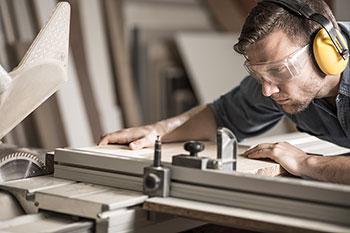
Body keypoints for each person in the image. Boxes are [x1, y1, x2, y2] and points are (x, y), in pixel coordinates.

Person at [99, 0, 350, 184]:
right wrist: (158, 131)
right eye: (260, 75)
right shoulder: (275, 83)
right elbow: (221, 116)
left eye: (279, 71)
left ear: (327, 50)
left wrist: (307, 162)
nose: (267, 90)